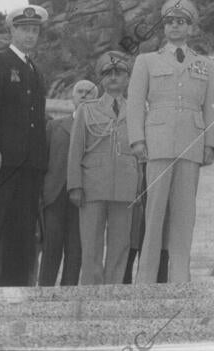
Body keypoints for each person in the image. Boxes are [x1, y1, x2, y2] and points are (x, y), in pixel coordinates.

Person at [127, 0, 214, 284]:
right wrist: (138, 140)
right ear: (163, 27)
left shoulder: (204, 64)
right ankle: (146, 278)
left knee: (184, 215)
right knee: (154, 213)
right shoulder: (147, 60)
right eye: (170, 22)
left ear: (191, 28)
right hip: (158, 141)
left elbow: (211, 107)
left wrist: (210, 143)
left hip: (191, 142)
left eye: (181, 22)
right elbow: (135, 102)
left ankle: (181, 277)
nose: (175, 26)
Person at [0, 4, 49, 287]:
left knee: (22, 225)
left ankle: (15, 283)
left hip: (30, 163)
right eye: (25, 29)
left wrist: (40, 160)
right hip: (2, 159)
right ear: (12, 30)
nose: (30, 35)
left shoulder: (34, 69)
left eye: (35, 30)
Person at [68, 51, 138, 284]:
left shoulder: (139, 109)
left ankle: (113, 290)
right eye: (107, 73)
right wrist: (75, 185)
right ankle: (90, 292)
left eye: (119, 73)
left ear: (128, 78)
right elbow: (75, 150)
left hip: (126, 185)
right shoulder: (86, 110)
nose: (113, 77)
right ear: (101, 79)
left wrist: (141, 185)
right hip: (92, 185)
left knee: (121, 244)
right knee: (91, 243)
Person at [38, 79, 98, 287]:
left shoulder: (99, 129)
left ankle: (68, 295)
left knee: (75, 251)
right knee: (50, 248)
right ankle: (44, 293)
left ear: (96, 99)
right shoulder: (54, 126)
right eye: (79, 91)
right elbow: (43, 161)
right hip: (55, 195)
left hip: (84, 198)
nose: (83, 95)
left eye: (89, 92)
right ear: (72, 97)